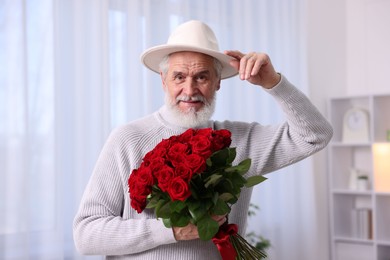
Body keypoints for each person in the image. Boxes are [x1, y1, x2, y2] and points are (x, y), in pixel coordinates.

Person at [73, 20, 333, 259]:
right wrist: (172, 230)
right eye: (179, 77)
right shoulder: (128, 139)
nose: (190, 89)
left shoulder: (238, 140)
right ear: (163, 80)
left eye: (202, 77)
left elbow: (315, 135)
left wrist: (273, 82)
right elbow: (86, 234)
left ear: (218, 81)